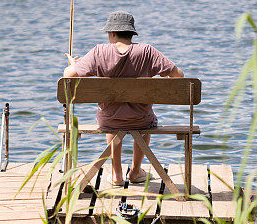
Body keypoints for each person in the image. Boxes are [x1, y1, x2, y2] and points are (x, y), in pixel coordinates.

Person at [64, 11, 184, 186]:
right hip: (141, 120)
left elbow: (67, 76)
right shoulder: (147, 51)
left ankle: (116, 173)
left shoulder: (99, 52)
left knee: (112, 114)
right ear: (131, 33)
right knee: (146, 120)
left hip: (109, 121)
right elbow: (179, 76)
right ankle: (135, 171)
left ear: (112, 33)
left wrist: (73, 64)